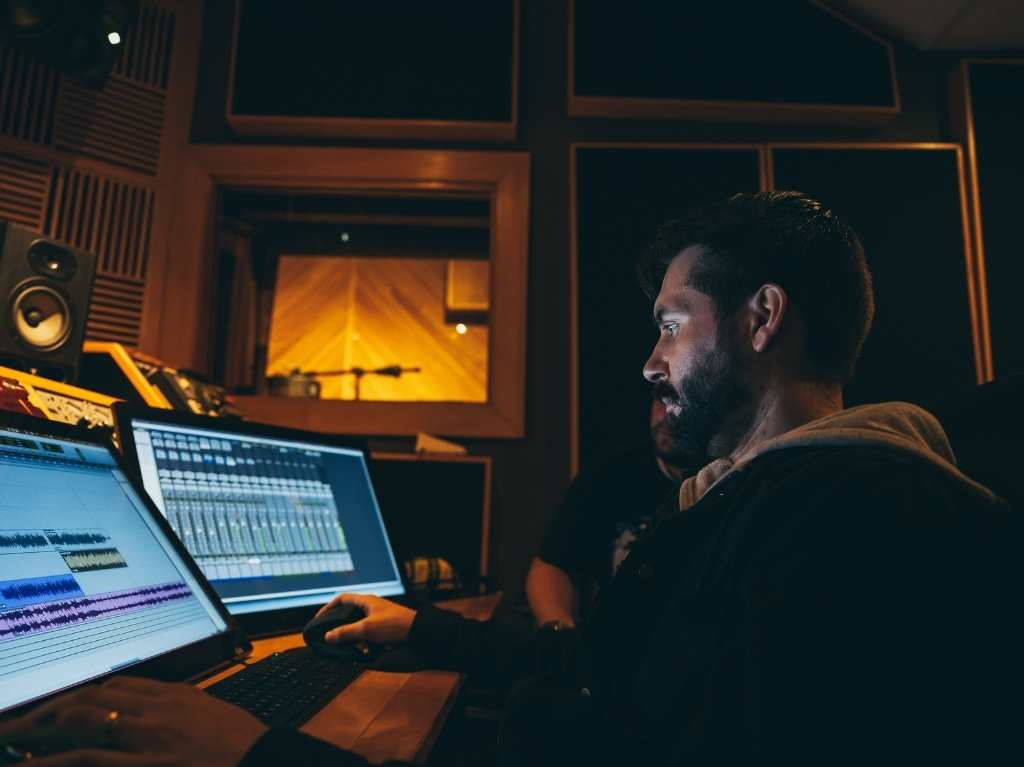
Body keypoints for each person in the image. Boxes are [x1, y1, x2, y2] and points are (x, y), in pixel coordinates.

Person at [2, 192, 1017, 765]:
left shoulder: (853, 528)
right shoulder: (779, 499)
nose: (650, 363)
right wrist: (424, 630)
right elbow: (611, 677)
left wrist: (256, 755)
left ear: (762, 317)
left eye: (670, 325)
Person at [526, 398, 697, 627]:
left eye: (680, 398)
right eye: (660, 397)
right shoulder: (609, 476)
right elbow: (551, 567)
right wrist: (562, 634)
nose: (665, 414)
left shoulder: (736, 481)